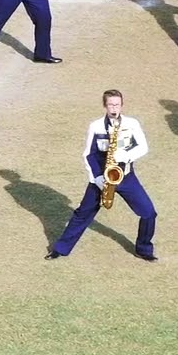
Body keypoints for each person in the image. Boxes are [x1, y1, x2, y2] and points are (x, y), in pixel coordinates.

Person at [47, 90, 157, 261]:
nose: (114, 108)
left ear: (122, 105)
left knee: (149, 212)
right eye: (111, 105)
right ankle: (60, 249)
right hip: (102, 178)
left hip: (125, 176)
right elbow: (89, 154)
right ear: (105, 105)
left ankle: (144, 250)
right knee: (82, 214)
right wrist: (98, 179)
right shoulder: (96, 126)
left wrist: (125, 156)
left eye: (117, 105)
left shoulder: (131, 124)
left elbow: (143, 147)